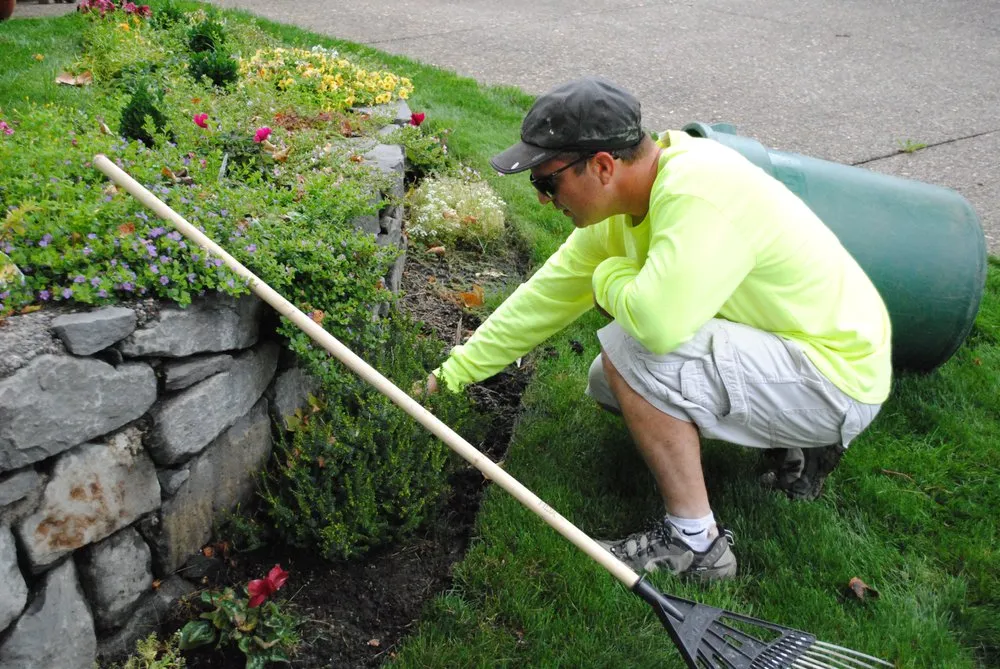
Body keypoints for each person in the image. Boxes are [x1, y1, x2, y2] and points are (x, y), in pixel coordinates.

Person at [418, 76, 892, 581]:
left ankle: (695, 544)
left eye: (547, 182)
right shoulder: (627, 203)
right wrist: (450, 377)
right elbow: (543, 298)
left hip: (837, 377)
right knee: (608, 381)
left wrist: (606, 277)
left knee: (634, 347)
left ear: (603, 166)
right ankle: (791, 438)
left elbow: (658, 327)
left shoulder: (697, 193)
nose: (542, 199)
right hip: (794, 349)